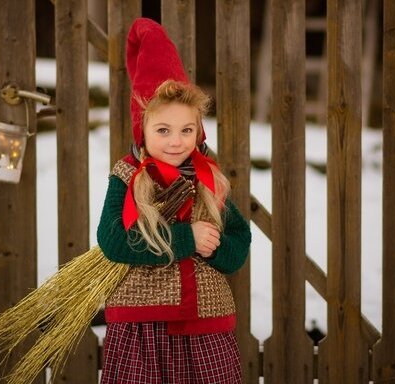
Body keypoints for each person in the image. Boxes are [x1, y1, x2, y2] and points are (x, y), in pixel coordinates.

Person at [97, 18, 251, 384]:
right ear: (142, 129)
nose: (176, 141)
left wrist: (214, 249)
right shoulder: (127, 176)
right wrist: (186, 239)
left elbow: (239, 242)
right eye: (163, 130)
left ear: (199, 131)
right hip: (141, 325)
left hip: (204, 323)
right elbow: (113, 241)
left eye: (187, 130)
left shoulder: (208, 178)